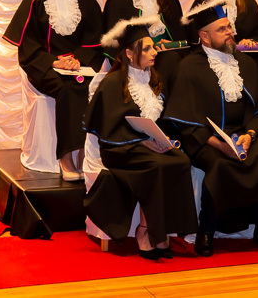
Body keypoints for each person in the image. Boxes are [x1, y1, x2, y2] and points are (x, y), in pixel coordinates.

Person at [161, 0, 258, 256]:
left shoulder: (246, 62)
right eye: (222, 29)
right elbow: (185, 122)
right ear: (204, 37)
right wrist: (219, 144)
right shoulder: (188, 67)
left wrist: (250, 135)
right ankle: (207, 230)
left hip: (244, 136)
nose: (230, 32)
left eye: (229, 27)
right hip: (206, 140)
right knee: (220, 166)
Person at [83, 16, 197, 259]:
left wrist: (164, 140)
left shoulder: (152, 79)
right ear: (129, 53)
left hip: (147, 146)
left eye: (153, 47)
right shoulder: (112, 83)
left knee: (181, 161)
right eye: (147, 48)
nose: (154, 52)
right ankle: (146, 231)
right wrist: (142, 142)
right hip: (120, 148)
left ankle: (164, 231)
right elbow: (108, 129)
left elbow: (158, 119)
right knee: (156, 166)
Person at [2, 0, 103, 180]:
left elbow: (94, 38)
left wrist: (77, 59)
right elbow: (28, 48)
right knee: (67, 88)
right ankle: (66, 157)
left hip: (78, 64)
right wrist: (55, 61)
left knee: (83, 84)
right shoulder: (35, 1)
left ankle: (83, 152)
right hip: (46, 67)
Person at [103, 0, 187, 90]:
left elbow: (181, 37)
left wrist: (170, 44)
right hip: (135, 62)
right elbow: (113, 44)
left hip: (165, 58)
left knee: (172, 58)